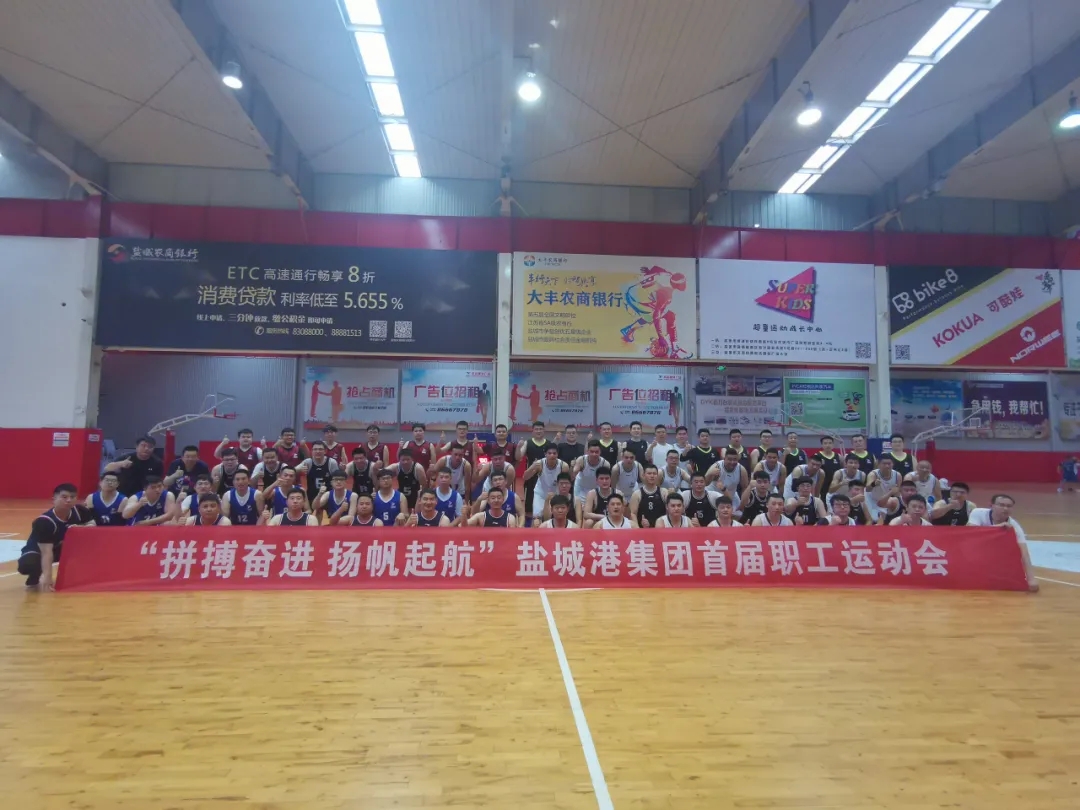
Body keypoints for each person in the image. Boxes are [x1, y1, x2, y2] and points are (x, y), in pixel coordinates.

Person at [18, 483, 94, 591]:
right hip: (39, 549)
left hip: (60, 546)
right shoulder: (44, 522)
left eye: (72, 497)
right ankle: (35, 574)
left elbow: (93, 525)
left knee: (87, 544)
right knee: (28, 564)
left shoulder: (80, 511)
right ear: (54, 499)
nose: (68, 500)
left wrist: (81, 528)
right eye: (64, 497)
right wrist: (48, 577)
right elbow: (46, 552)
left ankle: (77, 575)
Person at [520, 421, 555, 522]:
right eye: (536, 429)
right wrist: (519, 447)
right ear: (533, 431)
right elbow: (519, 456)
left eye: (540, 429)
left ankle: (547, 522)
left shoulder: (549, 444)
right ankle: (530, 524)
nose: (538, 431)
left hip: (546, 478)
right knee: (530, 506)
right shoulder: (528, 443)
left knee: (547, 502)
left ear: (544, 430)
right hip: (531, 477)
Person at [524, 444, 569, 519]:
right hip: (541, 494)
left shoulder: (563, 466)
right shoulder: (539, 464)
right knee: (537, 517)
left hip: (556, 494)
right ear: (545, 454)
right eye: (549, 453)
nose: (552, 455)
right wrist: (532, 467)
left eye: (554, 453)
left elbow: (566, 483)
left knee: (557, 516)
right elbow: (525, 477)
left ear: (557, 454)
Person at [296, 441, 339, 507]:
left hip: (328, 495)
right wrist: (300, 470)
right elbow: (292, 470)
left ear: (325, 451)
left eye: (320, 449)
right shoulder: (308, 462)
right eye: (315, 449)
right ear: (312, 451)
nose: (318, 451)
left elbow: (337, 479)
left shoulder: (331, 462)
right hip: (312, 495)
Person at [572, 440, 610, 504]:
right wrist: (575, 469)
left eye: (596, 452)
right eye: (592, 452)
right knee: (579, 507)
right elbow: (574, 473)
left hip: (596, 488)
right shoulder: (581, 460)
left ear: (600, 452)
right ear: (587, 452)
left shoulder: (605, 464)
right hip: (581, 488)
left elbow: (606, 481)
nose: (594, 454)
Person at [864, 456, 901, 523]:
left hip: (885, 500)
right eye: (884, 464)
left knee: (885, 520)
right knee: (873, 520)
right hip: (871, 499)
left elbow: (898, 494)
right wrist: (874, 484)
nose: (887, 466)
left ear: (893, 464)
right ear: (879, 464)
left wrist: (895, 491)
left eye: (889, 464)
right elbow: (867, 489)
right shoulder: (873, 474)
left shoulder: (897, 475)